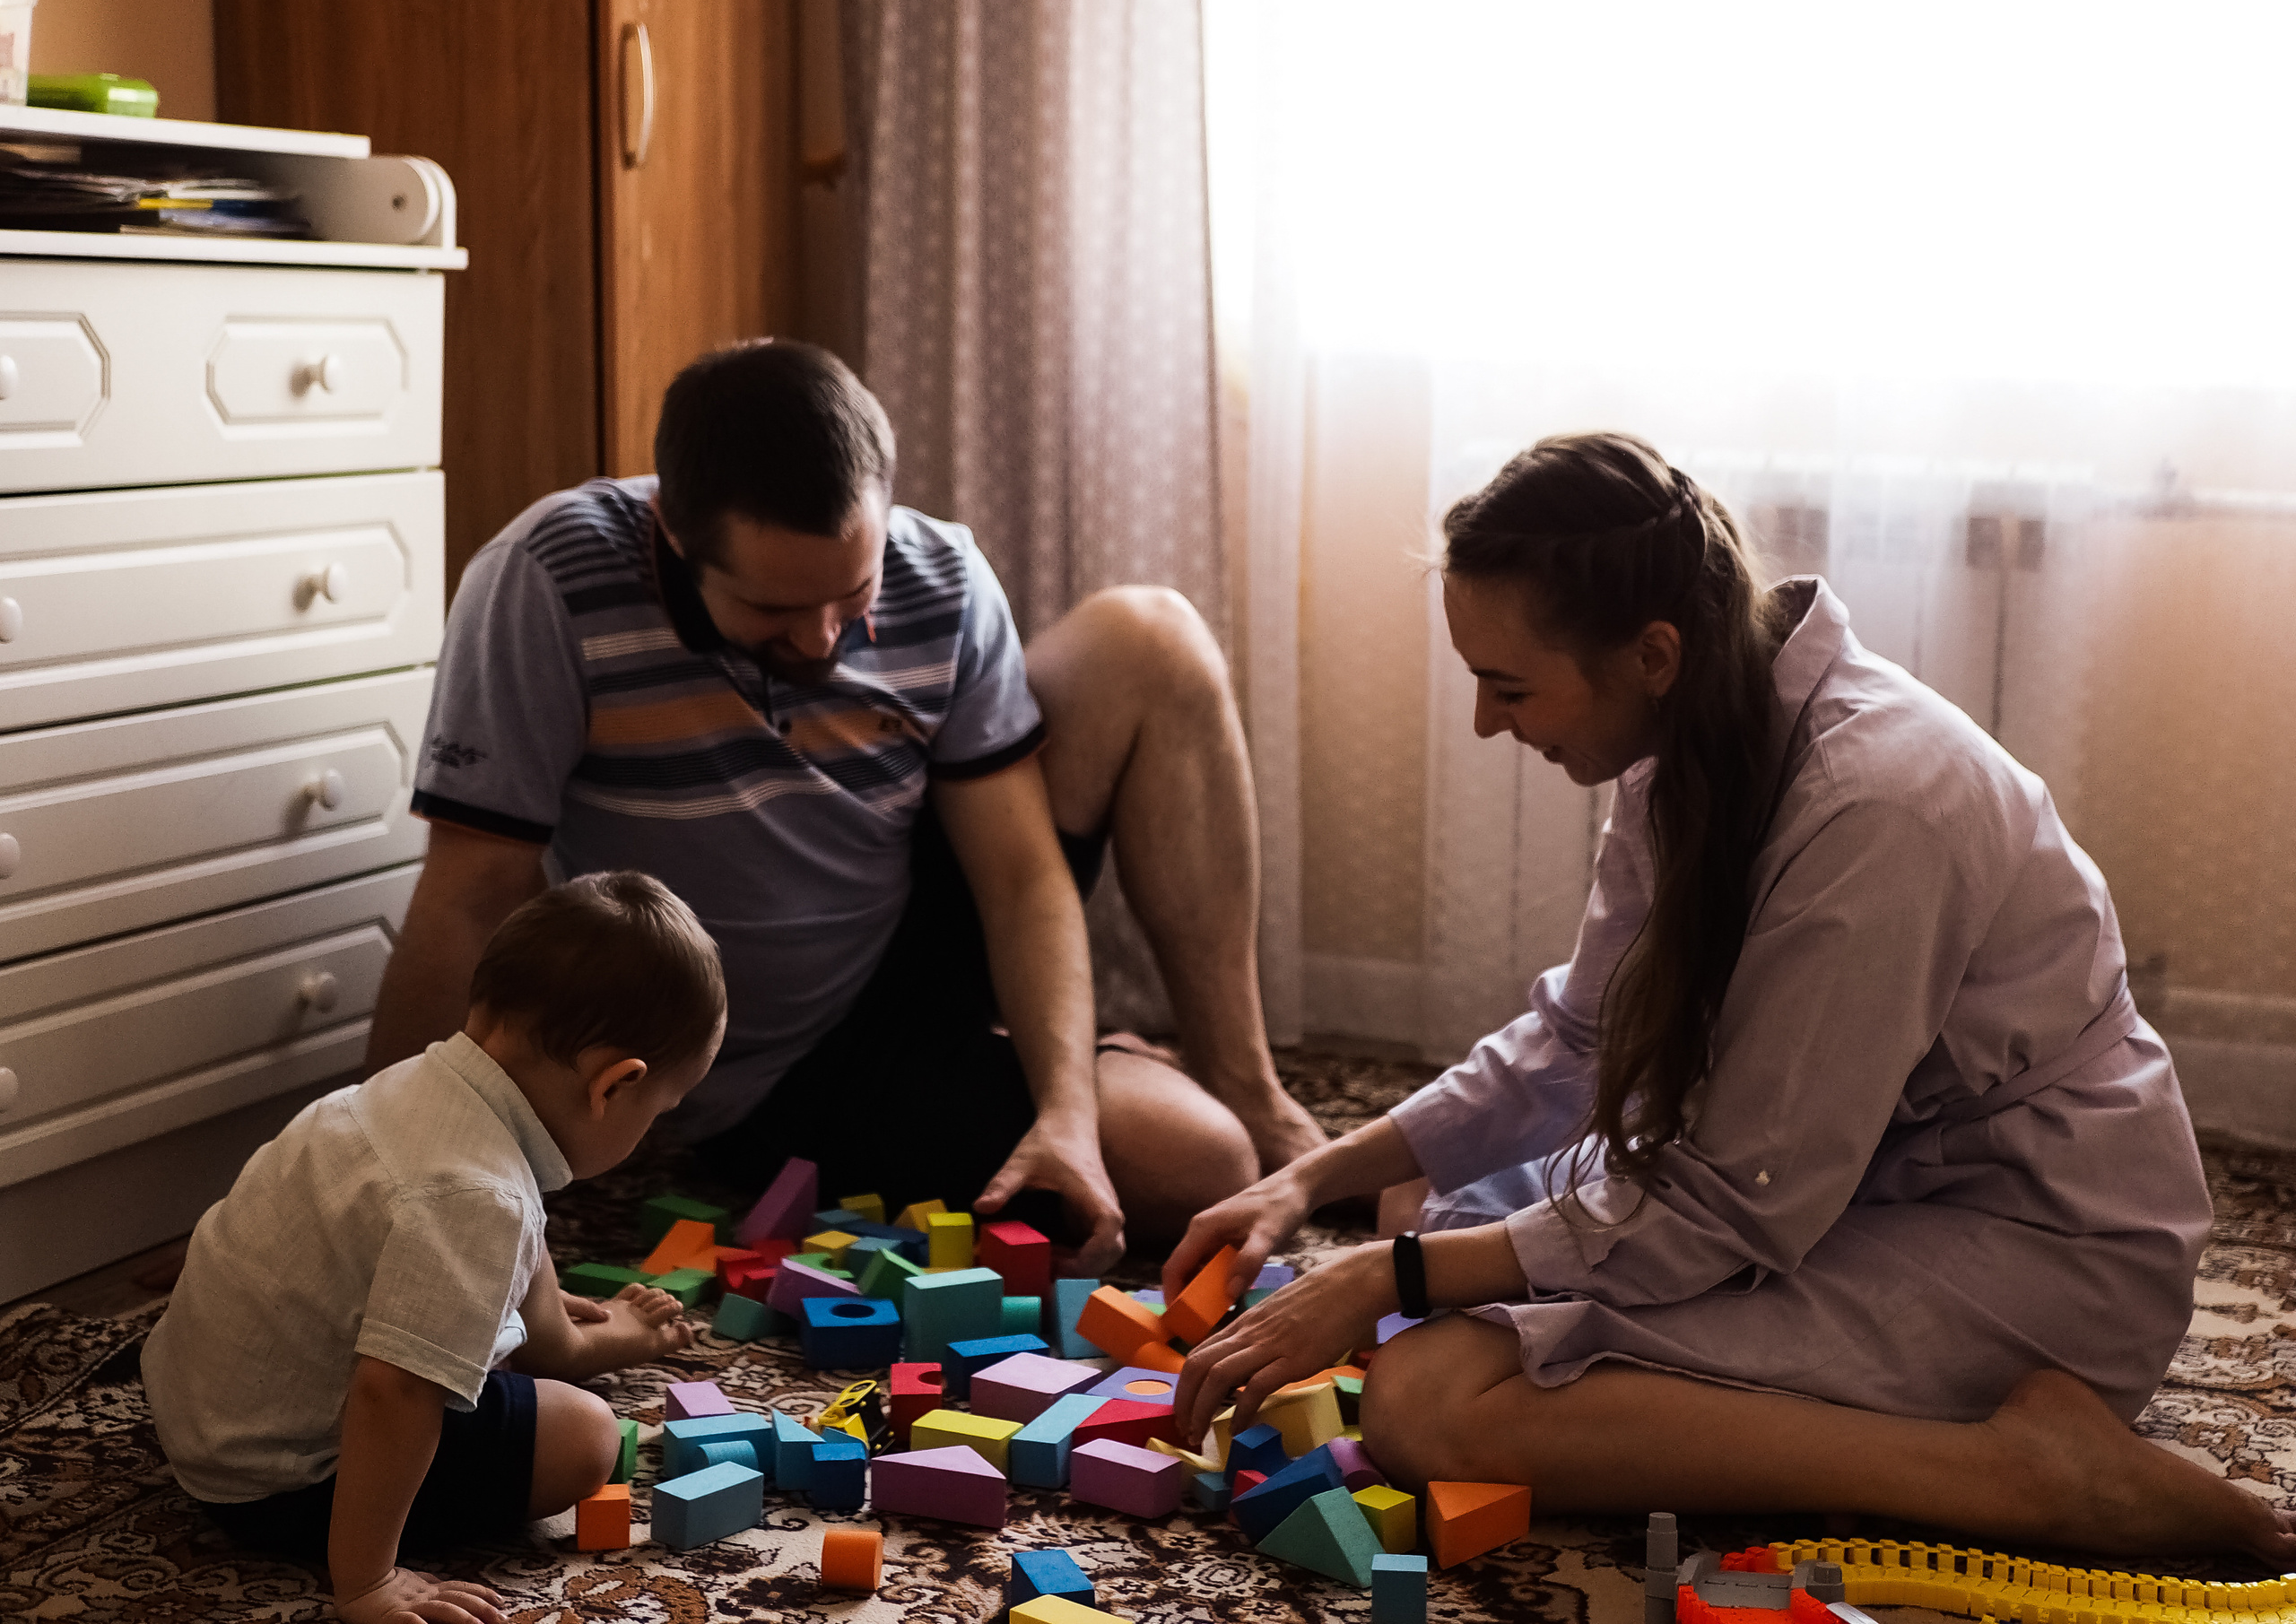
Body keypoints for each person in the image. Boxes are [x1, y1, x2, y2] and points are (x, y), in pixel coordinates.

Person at [1166, 432, 2296, 1563]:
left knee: (1430, 1400)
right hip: (1857, 1189)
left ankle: (2015, 1476)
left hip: (2044, 1247)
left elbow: (1729, 1206)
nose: (1486, 723)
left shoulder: (1877, 807)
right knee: (1432, 1207)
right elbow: (1575, 1040)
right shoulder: (1691, 739)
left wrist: (1384, 1278)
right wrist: (1304, 1181)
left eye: (1507, 687)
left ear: (1652, 654)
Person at [367, 340, 1323, 1271]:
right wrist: (388, 1169)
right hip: (763, 1064)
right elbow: (470, 894)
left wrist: (1065, 1113)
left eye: (851, 592)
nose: (826, 640)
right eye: (776, 614)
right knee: (1201, 1164)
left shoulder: (940, 572)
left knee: (1150, 634)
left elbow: (1023, 878)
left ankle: (1235, 1077)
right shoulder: (549, 579)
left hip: (909, 935)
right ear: (674, 538)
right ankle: (1103, 1064)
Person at [143, 873, 726, 1624]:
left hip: (204, 1420)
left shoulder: (421, 1091)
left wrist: (556, 1335)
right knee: (586, 1438)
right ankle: (363, 1555)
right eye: (660, 1111)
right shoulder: (479, 1197)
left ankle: (569, 1347)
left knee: (505, 1335)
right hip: (278, 1483)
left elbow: (512, 1220)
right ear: (614, 1085)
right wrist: (367, 1581)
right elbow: (396, 1394)